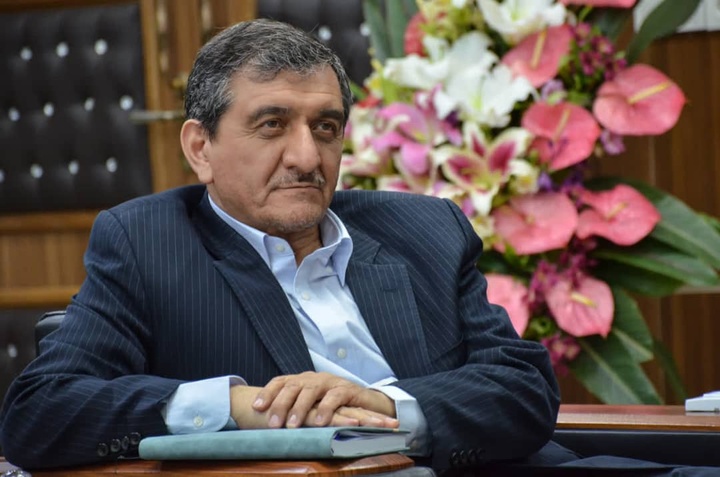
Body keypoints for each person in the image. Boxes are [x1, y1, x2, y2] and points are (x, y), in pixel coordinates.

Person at [0, 19, 560, 472]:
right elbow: (41, 411)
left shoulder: (425, 229)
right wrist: (241, 406)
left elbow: (524, 389)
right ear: (200, 148)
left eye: (326, 128)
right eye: (272, 125)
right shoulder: (147, 244)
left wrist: (387, 403)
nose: (307, 158)